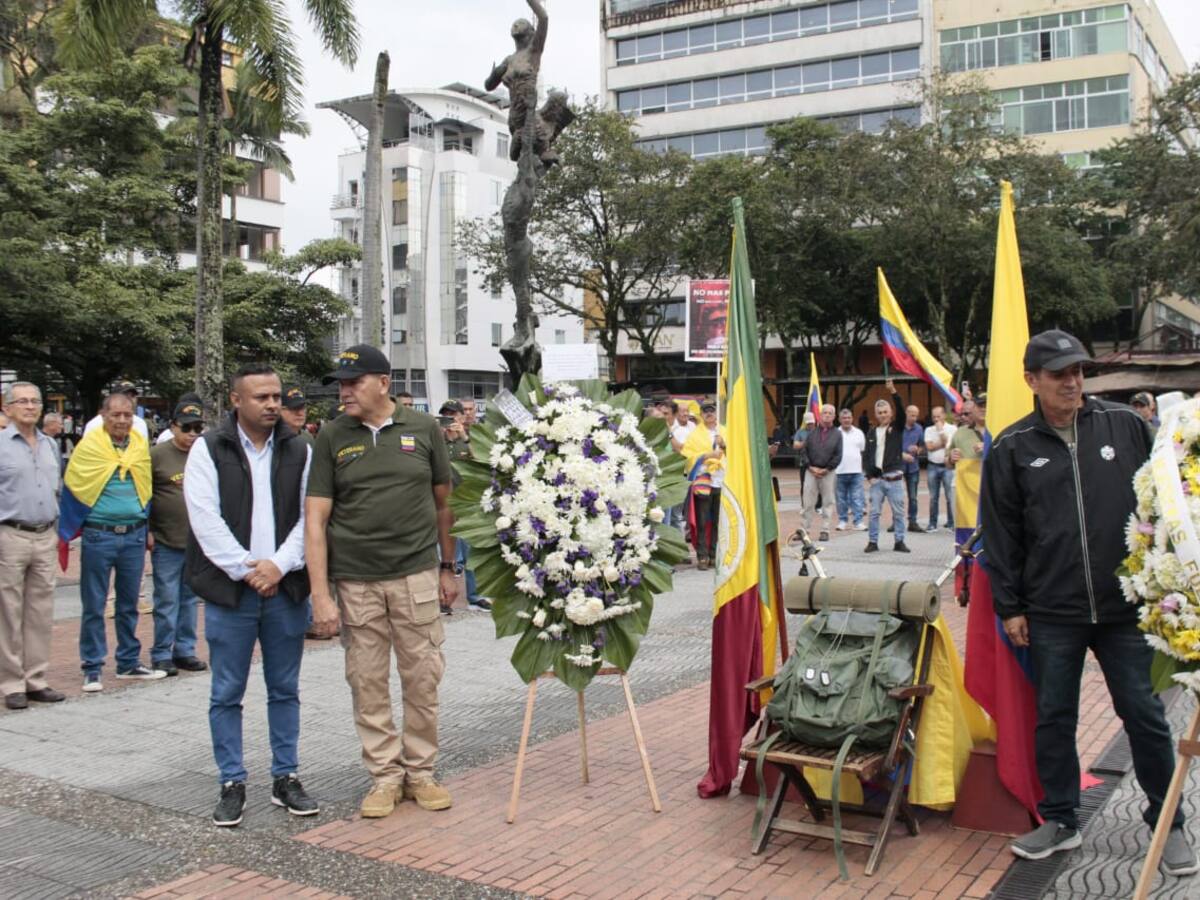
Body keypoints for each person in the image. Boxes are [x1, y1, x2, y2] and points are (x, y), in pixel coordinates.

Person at [980, 329, 1195, 875]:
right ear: (1032, 381)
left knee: (1145, 716)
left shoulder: (1124, 425)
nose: (1073, 382)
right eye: (1059, 374)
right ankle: (1061, 820)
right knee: (1053, 717)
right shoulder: (1011, 447)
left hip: (1124, 608)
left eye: (1078, 371)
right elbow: (1001, 535)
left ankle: (1167, 822)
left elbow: (1163, 498)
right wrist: (1011, 607)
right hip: (1052, 611)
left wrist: (1169, 580)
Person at [305, 345, 457, 819]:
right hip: (356, 582)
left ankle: (421, 773)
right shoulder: (331, 436)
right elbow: (316, 518)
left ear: (383, 383)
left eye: (353, 382)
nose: (344, 392)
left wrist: (448, 567)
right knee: (367, 681)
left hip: (415, 575)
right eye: (341, 385)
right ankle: (384, 778)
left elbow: (445, 503)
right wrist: (320, 595)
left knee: (422, 678)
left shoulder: (424, 429)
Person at [184, 363, 316, 827]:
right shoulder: (208, 448)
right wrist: (248, 569)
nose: (273, 404)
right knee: (227, 692)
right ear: (236, 400)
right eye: (261, 397)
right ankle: (232, 781)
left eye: (276, 396)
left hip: (285, 588)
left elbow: (309, 517)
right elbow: (204, 519)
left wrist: (278, 565)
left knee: (285, 688)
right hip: (230, 591)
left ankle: (286, 776)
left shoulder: (299, 448)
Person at [66, 391, 162, 691]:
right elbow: (75, 485)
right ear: (103, 415)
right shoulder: (90, 447)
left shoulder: (139, 447)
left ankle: (128, 662)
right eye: (115, 414)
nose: (122, 420)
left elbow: (145, 488)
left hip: (133, 534)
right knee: (94, 604)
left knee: (129, 603)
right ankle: (92, 666)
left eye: (127, 415)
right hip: (99, 535)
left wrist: (146, 527)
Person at [0, 382, 65, 710]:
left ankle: (36, 678)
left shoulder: (50, 445)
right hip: (10, 534)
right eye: (22, 401)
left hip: (44, 534)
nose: (29, 406)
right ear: (8, 408)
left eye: (34, 401)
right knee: (8, 612)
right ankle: (12, 682)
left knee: (40, 611)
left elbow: (57, 489)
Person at [148, 401, 207, 677]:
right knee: (166, 599)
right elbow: (143, 494)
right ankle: (162, 653)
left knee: (189, 600)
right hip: (166, 540)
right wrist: (147, 529)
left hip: (196, 542)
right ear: (173, 427)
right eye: (186, 428)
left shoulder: (204, 454)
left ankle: (185, 650)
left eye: (198, 427)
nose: (192, 433)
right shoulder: (157, 455)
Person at [440, 400, 488, 612]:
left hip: (464, 501)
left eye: (454, 415)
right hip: (440, 503)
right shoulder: (436, 440)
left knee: (470, 551)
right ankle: (442, 599)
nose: (451, 419)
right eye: (446, 416)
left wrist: (464, 437)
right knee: (440, 553)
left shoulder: (467, 440)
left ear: (461, 417)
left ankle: (475, 596)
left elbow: (481, 462)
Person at [863, 380, 910, 553]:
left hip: (894, 478)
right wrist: (869, 476)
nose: (883, 414)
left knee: (898, 512)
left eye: (885, 412)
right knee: (874, 513)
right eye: (879, 412)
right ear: (876, 414)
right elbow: (867, 456)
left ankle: (900, 541)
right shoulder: (871, 432)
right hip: (877, 480)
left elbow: (902, 413)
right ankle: (873, 542)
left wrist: (893, 392)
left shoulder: (896, 428)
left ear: (890, 413)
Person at [681, 401, 726, 571]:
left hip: (721, 480)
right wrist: (706, 455)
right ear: (701, 414)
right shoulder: (694, 435)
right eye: (705, 411)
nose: (709, 414)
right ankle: (702, 556)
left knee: (717, 521)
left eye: (711, 411)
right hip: (703, 481)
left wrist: (723, 445)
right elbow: (688, 456)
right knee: (701, 520)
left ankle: (714, 554)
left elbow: (735, 453)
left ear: (716, 413)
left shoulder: (724, 432)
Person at [801, 405, 841, 542]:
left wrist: (827, 469)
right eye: (825, 412)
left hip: (828, 472)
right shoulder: (811, 433)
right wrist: (811, 467)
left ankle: (825, 530)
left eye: (831, 413)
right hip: (811, 471)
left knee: (828, 502)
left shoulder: (837, 434)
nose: (827, 415)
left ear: (834, 416)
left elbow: (838, 455)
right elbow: (804, 452)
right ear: (820, 414)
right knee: (808, 502)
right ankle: (805, 530)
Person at [924, 406, 957, 532]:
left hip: (947, 467)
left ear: (944, 415)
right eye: (934, 417)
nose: (936, 419)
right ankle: (932, 523)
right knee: (933, 497)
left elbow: (949, 444)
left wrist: (941, 432)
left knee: (950, 496)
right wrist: (942, 442)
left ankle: (951, 522)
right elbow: (930, 447)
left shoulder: (952, 429)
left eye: (938, 416)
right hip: (933, 465)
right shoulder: (928, 429)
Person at [84, 380, 149, 442]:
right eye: (125, 395)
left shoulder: (141, 423)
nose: (129, 399)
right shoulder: (95, 424)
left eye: (132, 396)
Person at [834, 409, 866, 531]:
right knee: (841, 499)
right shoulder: (835, 433)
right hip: (839, 471)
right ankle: (842, 521)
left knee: (857, 498)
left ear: (852, 418)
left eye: (849, 418)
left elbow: (862, 450)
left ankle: (858, 522)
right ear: (840, 419)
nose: (846, 420)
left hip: (856, 471)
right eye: (844, 418)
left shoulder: (859, 433)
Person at [901, 404, 925, 534]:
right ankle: (896, 522)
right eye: (912, 415)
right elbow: (891, 447)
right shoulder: (898, 428)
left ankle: (913, 522)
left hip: (913, 466)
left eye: (916, 415)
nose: (914, 418)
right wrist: (902, 455)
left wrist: (918, 450)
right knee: (897, 496)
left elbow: (922, 446)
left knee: (913, 497)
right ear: (906, 413)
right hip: (899, 465)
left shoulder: (919, 429)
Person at [792, 410, 815, 493]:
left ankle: (817, 504)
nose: (810, 425)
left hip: (817, 463)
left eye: (812, 423)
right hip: (804, 463)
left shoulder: (819, 431)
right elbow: (795, 445)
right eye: (808, 423)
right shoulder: (800, 432)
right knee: (804, 484)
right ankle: (804, 503)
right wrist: (806, 442)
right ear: (805, 422)